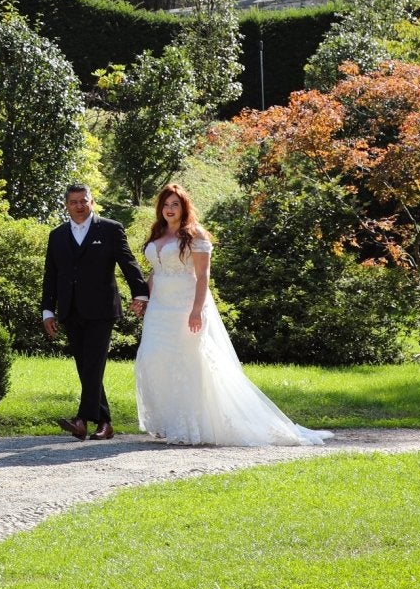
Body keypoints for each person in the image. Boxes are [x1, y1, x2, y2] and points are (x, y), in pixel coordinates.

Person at [134, 183, 333, 446]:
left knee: (188, 363)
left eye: (175, 204)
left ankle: (193, 425)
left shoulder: (195, 235)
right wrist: (144, 298)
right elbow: (156, 271)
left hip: (185, 306)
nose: (170, 209)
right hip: (159, 309)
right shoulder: (158, 233)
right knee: (152, 359)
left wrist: (196, 310)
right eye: (166, 204)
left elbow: (203, 274)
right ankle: (168, 422)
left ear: (184, 207)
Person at [40, 182, 148, 441]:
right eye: (73, 202)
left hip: (102, 309)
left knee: (93, 363)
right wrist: (47, 311)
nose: (79, 206)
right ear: (66, 205)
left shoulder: (110, 229)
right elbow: (50, 276)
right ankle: (105, 422)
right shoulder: (57, 235)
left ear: (92, 201)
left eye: (83, 200)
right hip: (70, 309)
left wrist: (141, 293)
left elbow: (128, 262)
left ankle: (81, 419)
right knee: (86, 366)